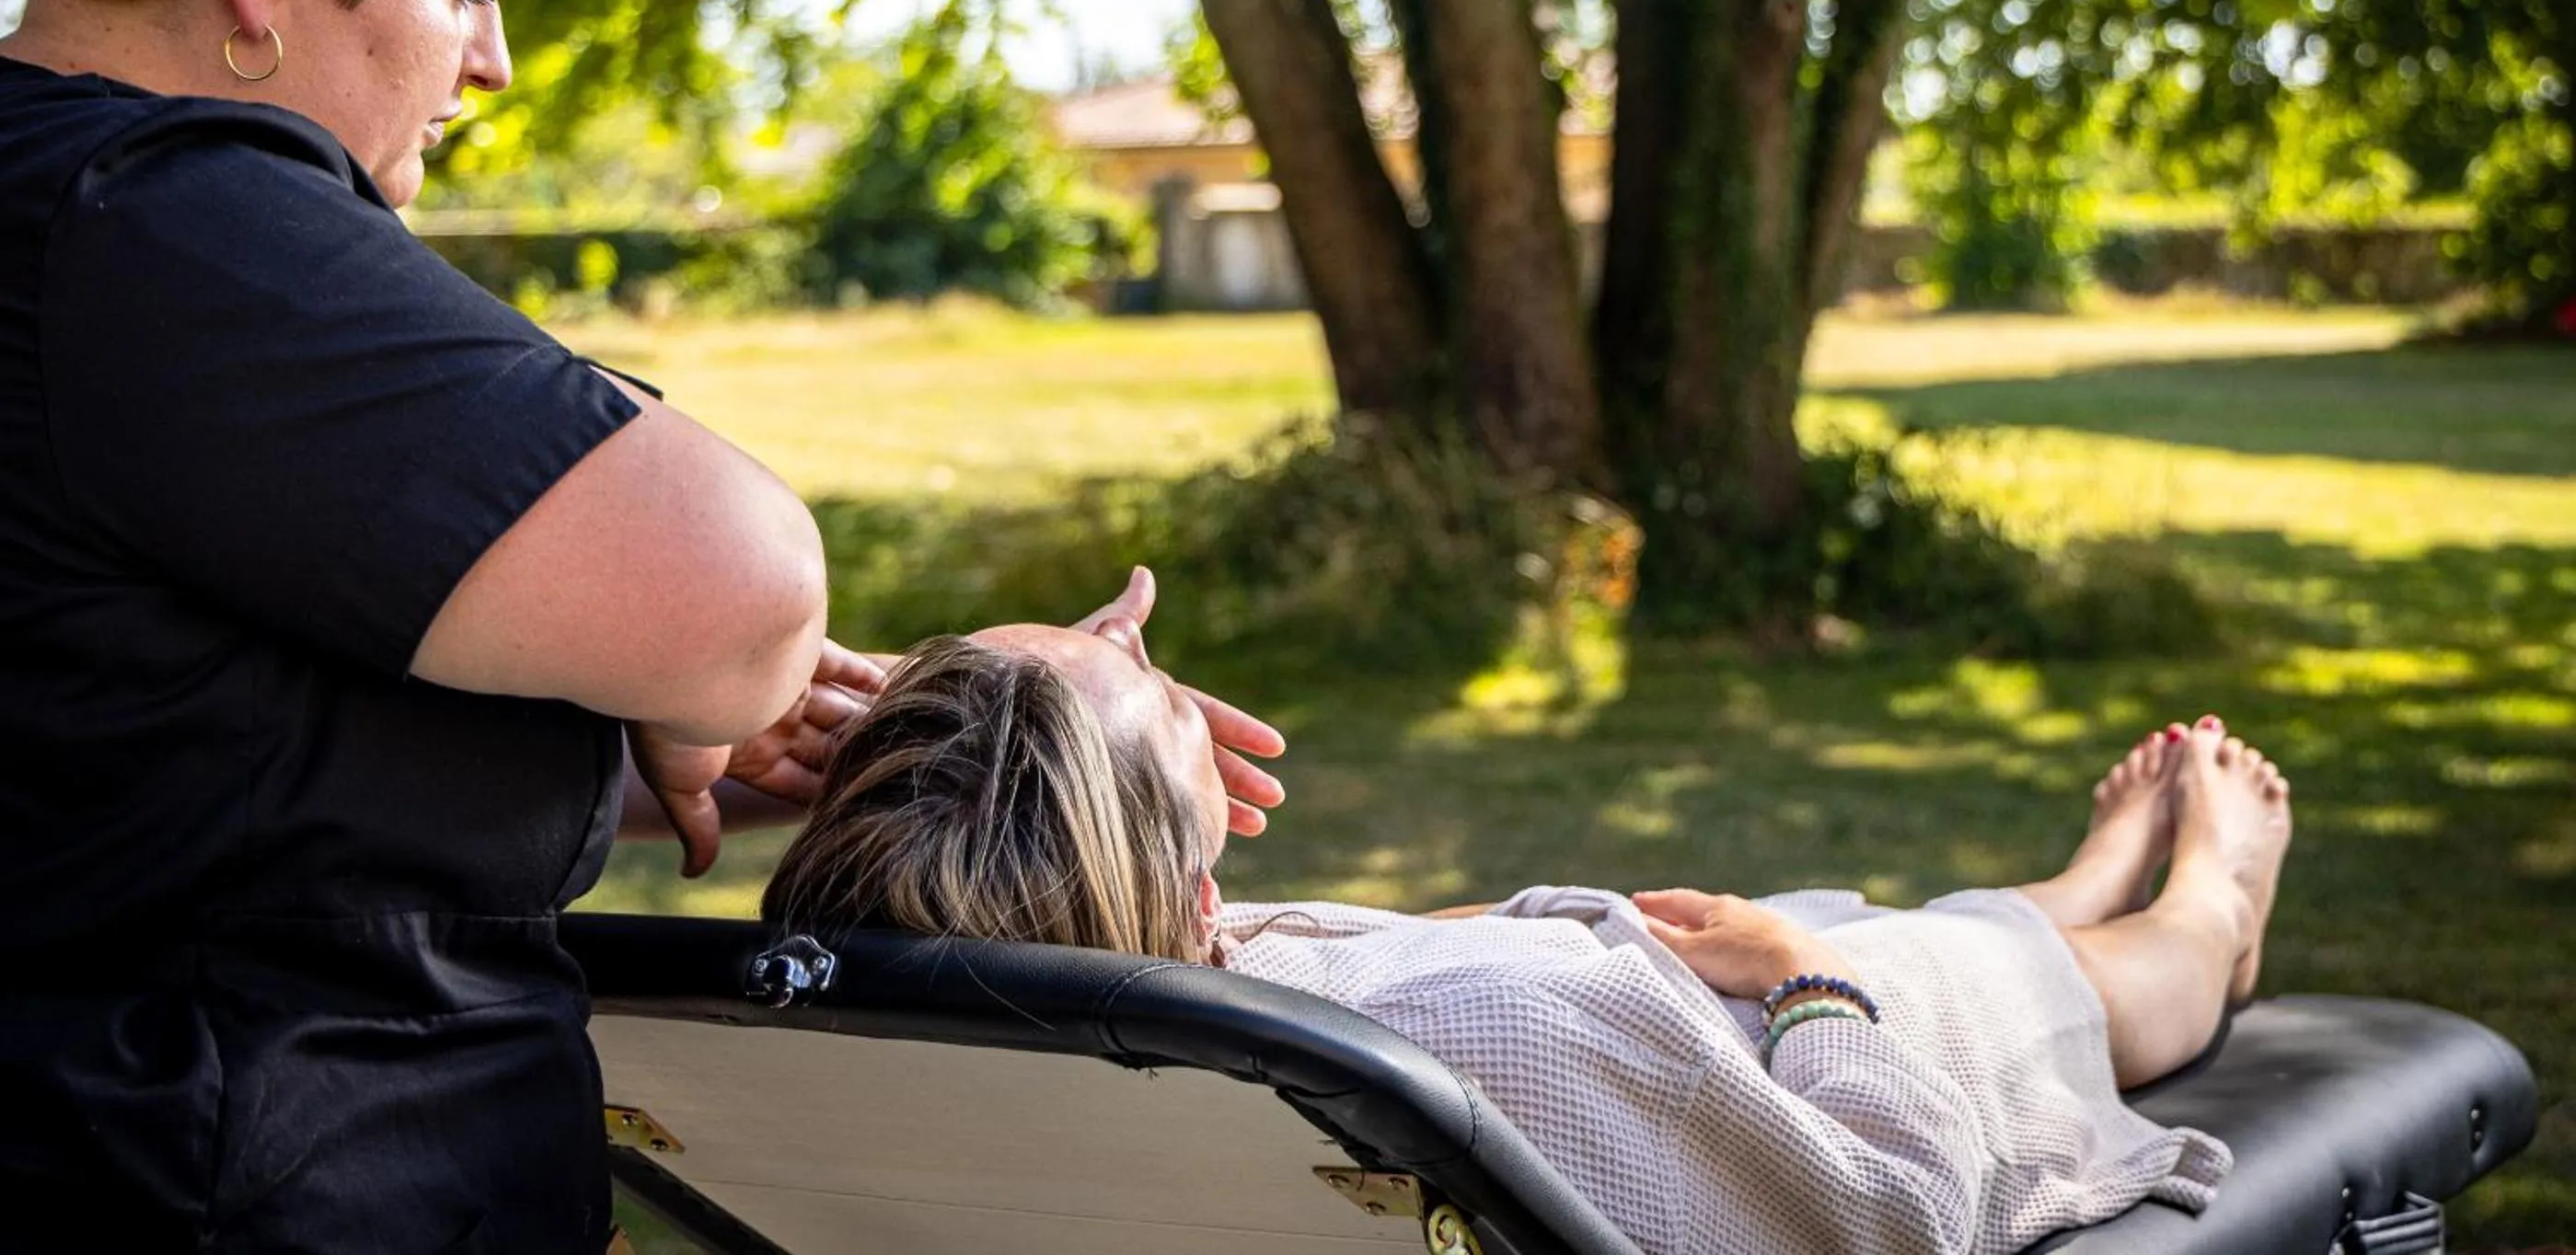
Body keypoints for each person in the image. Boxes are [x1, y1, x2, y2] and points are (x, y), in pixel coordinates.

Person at [0, 0, 1283, 1252]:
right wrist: (697, 662)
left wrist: (646, 727)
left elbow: (161, 774)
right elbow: (739, 586)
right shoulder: (161, 224)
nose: (495, 58)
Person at [767, 625, 2299, 1255]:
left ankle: (2081, 868)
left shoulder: (1003, 1035)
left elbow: (992, 854)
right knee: (2061, 970)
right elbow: (1895, 1215)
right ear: (1177, 904)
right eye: (1175, 715)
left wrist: (973, 721)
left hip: (1664, 1005)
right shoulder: (1461, 1054)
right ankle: (2200, 899)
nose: (1138, 635)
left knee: (1927, 919)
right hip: (1828, 1037)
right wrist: (1809, 990)